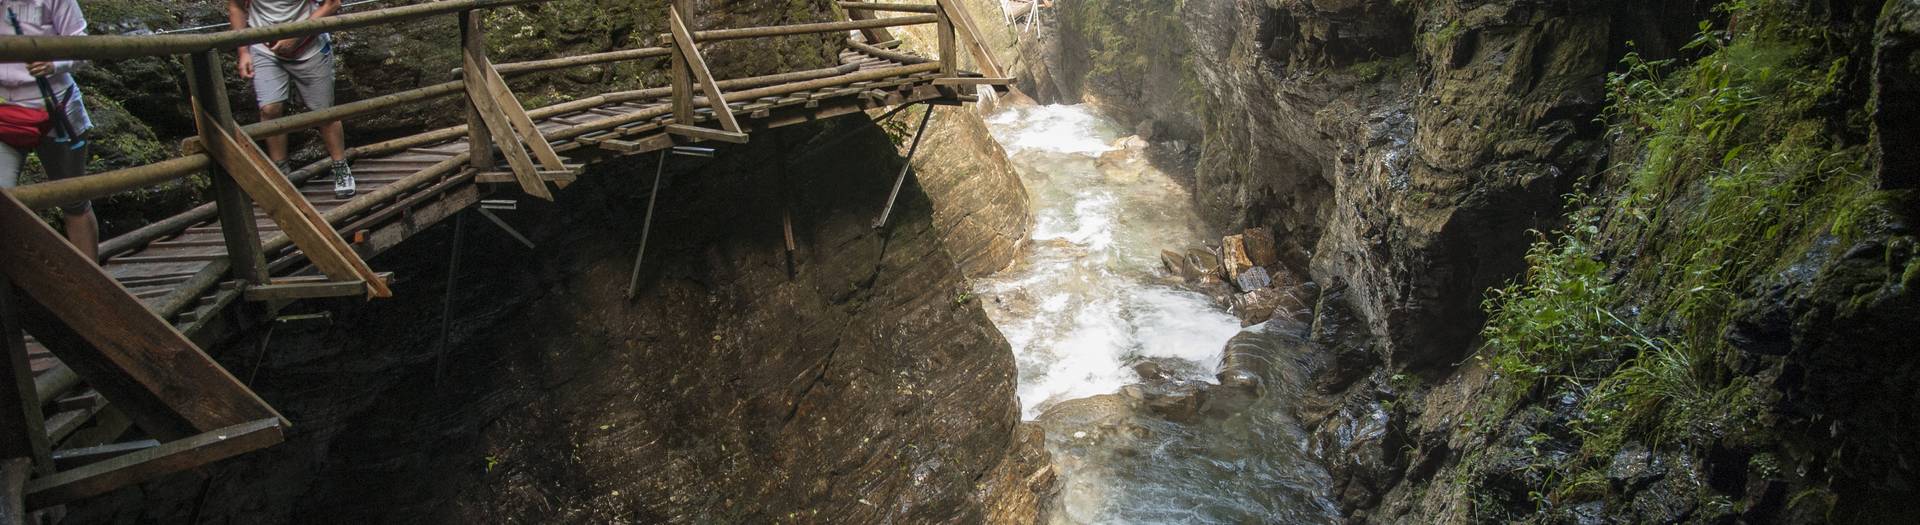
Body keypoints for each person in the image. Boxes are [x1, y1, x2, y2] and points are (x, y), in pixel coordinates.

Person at [0, 0, 97, 262]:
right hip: (5, 114)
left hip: (56, 110)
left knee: (74, 202)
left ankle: (92, 288)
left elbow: (81, 44)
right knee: (4, 201)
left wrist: (55, 62)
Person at [227, 0, 354, 198]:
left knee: (323, 112)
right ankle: (281, 173)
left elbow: (332, 3)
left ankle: (340, 166)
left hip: (309, 45)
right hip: (263, 46)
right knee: (269, 110)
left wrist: (296, 35)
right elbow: (236, 6)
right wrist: (243, 52)